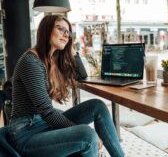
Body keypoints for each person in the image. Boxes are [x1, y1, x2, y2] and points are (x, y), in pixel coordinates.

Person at [8, 15, 124, 157]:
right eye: (60, 29)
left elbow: (82, 76)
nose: (65, 34)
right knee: (87, 135)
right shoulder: (31, 61)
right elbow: (47, 112)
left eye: (68, 32)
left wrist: (71, 49)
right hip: (26, 133)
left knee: (98, 106)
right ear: (46, 30)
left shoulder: (52, 60)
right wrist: (87, 133)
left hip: (43, 124)